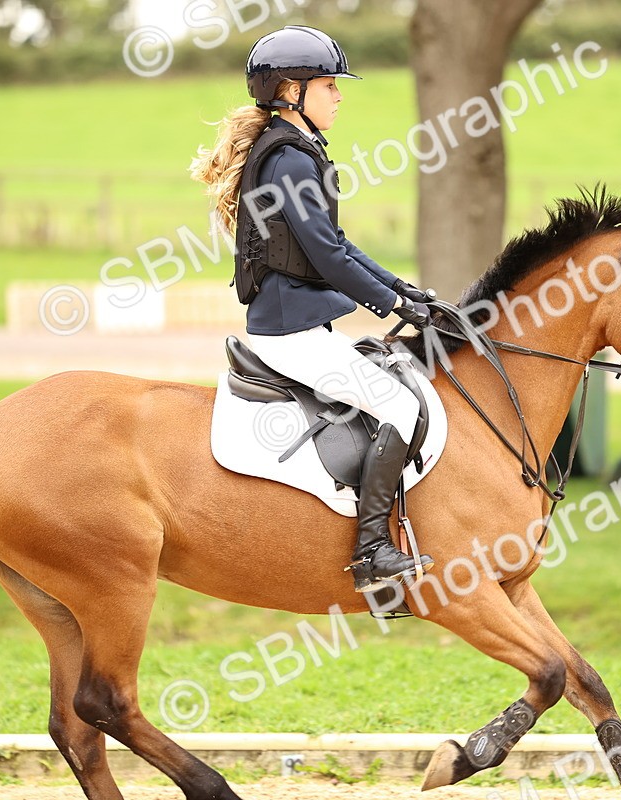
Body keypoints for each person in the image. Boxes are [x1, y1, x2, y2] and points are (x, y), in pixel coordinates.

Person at [190, 25, 434, 594]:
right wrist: (392, 304)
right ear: (291, 91)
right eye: (329, 85)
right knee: (400, 406)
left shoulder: (295, 151)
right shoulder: (290, 161)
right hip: (289, 334)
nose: (339, 95)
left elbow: (339, 243)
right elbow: (327, 256)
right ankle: (372, 550)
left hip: (297, 326)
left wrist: (406, 292)